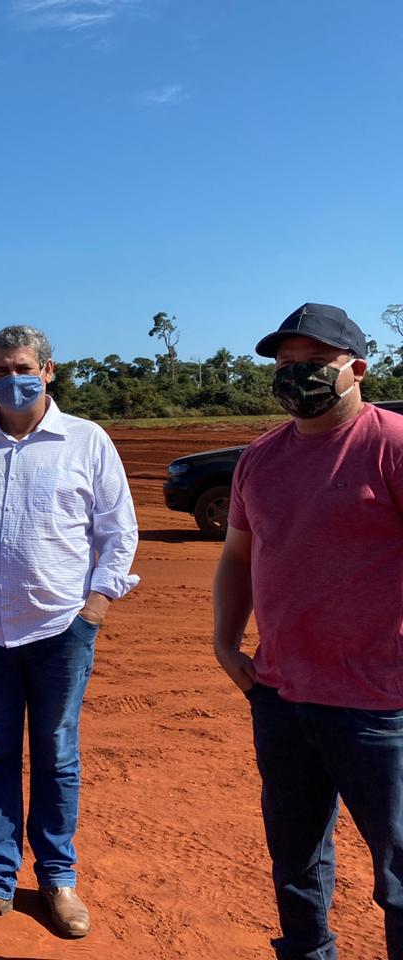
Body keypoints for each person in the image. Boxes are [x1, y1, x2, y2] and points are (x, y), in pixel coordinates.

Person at [0, 325, 139, 939]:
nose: (11, 379)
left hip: (61, 627)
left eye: (22, 367)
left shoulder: (86, 441)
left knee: (56, 753)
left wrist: (95, 607)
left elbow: (118, 531)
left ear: (47, 370)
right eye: (0, 370)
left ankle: (57, 877)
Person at [213, 303, 403, 960]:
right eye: (285, 364)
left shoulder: (392, 446)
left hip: (381, 707)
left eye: (315, 362)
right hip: (283, 698)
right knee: (295, 862)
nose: (297, 375)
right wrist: (224, 643)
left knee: (400, 874)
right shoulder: (260, 459)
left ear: (357, 369)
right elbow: (237, 557)